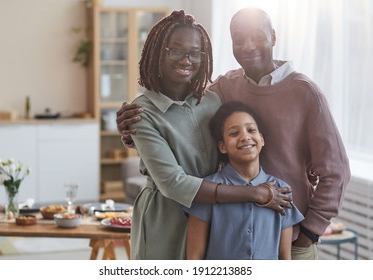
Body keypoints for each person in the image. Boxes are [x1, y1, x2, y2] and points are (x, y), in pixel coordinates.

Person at [116, 7, 350, 260]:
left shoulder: (305, 93)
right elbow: (181, 124)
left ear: (273, 36)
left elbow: (336, 171)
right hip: (228, 234)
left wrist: (309, 232)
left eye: (258, 36)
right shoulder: (224, 89)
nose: (248, 46)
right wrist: (131, 132)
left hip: (288, 234)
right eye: (239, 39)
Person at [185, 101, 304, 260]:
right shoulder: (206, 190)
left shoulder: (282, 190)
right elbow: (194, 258)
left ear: (261, 139)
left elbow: (284, 258)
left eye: (251, 130)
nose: (245, 137)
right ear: (222, 146)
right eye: (234, 133)